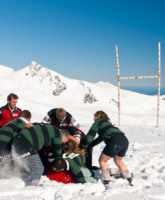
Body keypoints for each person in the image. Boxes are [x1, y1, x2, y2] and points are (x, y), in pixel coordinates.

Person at [81, 111, 133, 190]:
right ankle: (128, 178)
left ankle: (106, 180)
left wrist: (84, 145)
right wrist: (91, 145)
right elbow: (100, 138)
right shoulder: (109, 125)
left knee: (102, 161)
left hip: (115, 141)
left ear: (97, 117)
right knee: (118, 160)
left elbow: (90, 136)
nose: (93, 118)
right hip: (124, 140)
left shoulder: (97, 123)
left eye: (94, 116)